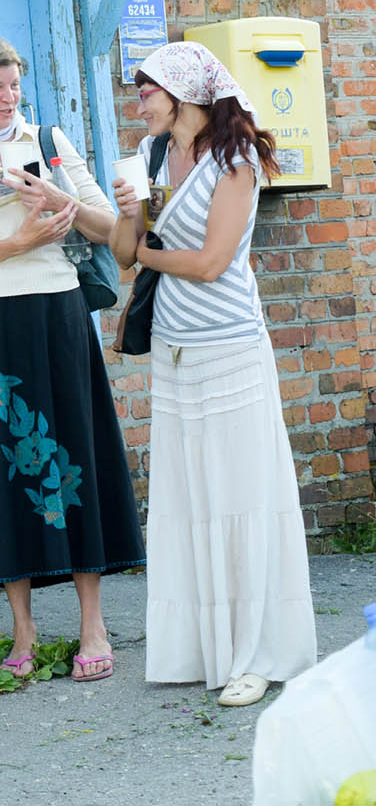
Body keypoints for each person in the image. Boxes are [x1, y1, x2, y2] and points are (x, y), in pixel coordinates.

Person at [0, 37, 146, 681]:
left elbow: (110, 228)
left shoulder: (48, 141)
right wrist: (17, 240)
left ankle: (93, 625)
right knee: (3, 469)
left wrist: (57, 203)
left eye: (15, 84)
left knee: (73, 459)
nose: (7, 97)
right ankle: (22, 630)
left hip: (55, 316)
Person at [109, 41, 316, 707]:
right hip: (174, 354)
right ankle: (203, 646)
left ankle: (253, 653)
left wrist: (145, 248)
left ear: (184, 94)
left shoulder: (236, 159)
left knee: (239, 501)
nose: (139, 101)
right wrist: (126, 211)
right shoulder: (150, 157)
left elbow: (210, 263)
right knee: (191, 503)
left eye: (148, 90)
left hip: (229, 351)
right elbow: (122, 259)